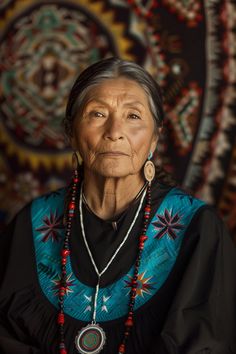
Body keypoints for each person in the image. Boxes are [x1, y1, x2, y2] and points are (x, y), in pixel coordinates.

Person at [0, 57, 235, 354]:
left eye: (133, 116)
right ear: (71, 132)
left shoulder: (197, 228)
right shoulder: (33, 223)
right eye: (97, 114)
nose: (114, 131)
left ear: (154, 138)